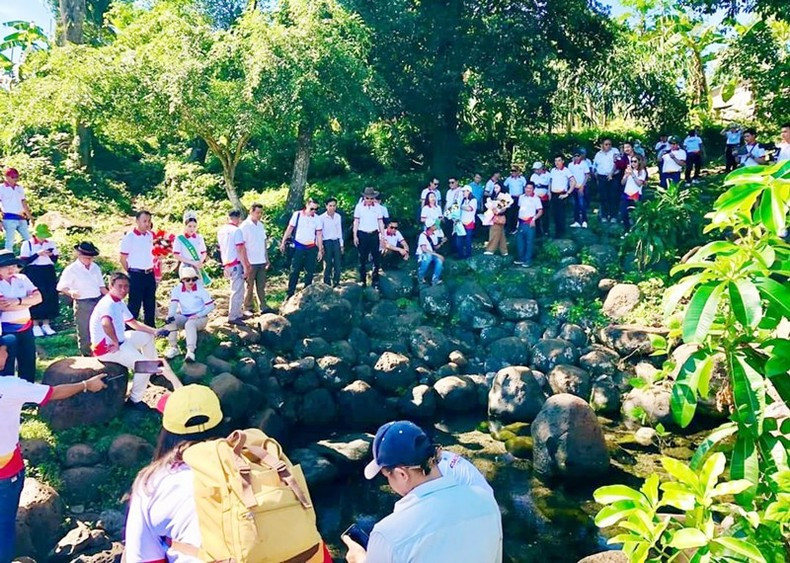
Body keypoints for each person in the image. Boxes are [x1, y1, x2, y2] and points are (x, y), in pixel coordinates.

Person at [342, 420, 502, 563]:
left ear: (401, 474)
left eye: (386, 476)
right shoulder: (486, 501)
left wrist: (358, 558)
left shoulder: (387, 535)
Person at [1, 357, 106, 563]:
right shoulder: (10, 386)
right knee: (3, 527)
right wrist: (86, 384)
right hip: (6, 472)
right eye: (2, 348)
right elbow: (54, 392)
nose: (6, 352)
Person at [89, 272, 180, 410]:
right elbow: (106, 323)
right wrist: (114, 341)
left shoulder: (118, 302)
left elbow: (133, 323)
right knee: (143, 367)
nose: (123, 290)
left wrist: (155, 332)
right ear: (111, 286)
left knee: (147, 337)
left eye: (126, 287)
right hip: (108, 348)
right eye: (120, 286)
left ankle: (153, 372)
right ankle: (134, 400)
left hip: (121, 340)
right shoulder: (107, 304)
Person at [56, 242, 107, 356]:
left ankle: (101, 352)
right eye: (86, 258)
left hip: (97, 301)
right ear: (79, 255)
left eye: (91, 258)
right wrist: (70, 292)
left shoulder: (95, 267)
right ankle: (87, 354)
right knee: (84, 330)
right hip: (82, 302)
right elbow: (61, 286)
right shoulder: (71, 269)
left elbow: (101, 286)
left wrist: (111, 298)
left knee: (100, 328)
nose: (89, 260)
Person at [0, 250, 41, 383]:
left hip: (26, 327)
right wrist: (27, 302)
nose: (11, 269)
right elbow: (4, 306)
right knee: (7, 366)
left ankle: (29, 395)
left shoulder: (22, 278)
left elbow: (38, 298)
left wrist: (18, 301)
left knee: (28, 362)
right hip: (5, 330)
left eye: (13, 265)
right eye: (6, 266)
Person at [164, 268, 214, 363]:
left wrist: (198, 315)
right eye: (188, 280)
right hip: (185, 316)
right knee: (170, 320)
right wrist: (170, 316)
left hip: (201, 318)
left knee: (190, 324)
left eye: (194, 279)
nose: (191, 282)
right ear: (182, 280)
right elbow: (173, 305)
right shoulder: (177, 289)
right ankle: (174, 348)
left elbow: (211, 306)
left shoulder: (200, 289)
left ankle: (190, 351)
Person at [19, 223, 59, 337]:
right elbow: (24, 262)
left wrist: (50, 254)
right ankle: (35, 324)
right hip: (34, 272)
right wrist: (37, 254)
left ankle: (46, 323)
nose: (43, 238)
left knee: (49, 295)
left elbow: (55, 259)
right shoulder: (27, 244)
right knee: (35, 295)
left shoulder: (50, 243)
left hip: (48, 271)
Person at [280, 199, 324, 298]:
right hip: (298, 246)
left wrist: (320, 250)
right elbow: (290, 229)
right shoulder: (297, 215)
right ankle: (290, 293)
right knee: (294, 270)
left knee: (310, 271)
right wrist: (283, 241)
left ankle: (307, 292)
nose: (313, 211)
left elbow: (319, 234)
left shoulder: (317, 219)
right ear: (307, 206)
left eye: (316, 209)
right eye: (312, 208)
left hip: (311, 247)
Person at [120, 210, 157, 327]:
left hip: (150, 273)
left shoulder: (150, 235)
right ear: (137, 221)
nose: (147, 224)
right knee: (134, 305)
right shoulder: (129, 237)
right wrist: (130, 271)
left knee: (150, 304)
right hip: (136, 274)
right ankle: (129, 331)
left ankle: (151, 330)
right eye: (144, 221)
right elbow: (122, 258)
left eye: (149, 221)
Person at [217, 210, 250, 325]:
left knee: (238, 288)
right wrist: (245, 266)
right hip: (236, 263)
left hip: (227, 262)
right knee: (237, 290)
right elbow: (239, 249)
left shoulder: (221, 231)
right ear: (239, 218)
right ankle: (233, 316)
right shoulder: (237, 231)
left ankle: (238, 312)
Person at [354, 188, 386, 289]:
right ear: (364, 197)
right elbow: (356, 222)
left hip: (374, 234)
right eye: (367, 198)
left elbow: (380, 222)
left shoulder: (377, 207)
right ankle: (363, 280)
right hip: (362, 234)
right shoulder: (359, 207)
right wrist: (355, 235)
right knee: (362, 258)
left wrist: (383, 236)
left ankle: (375, 280)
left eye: (371, 198)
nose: (369, 200)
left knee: (376, 258)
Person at [240, 203, 270, 312]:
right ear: (251, 211)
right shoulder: (244, 226)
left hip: (261, 260)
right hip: (250, 261)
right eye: (257, 212)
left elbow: (263, 242)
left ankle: (263, 306)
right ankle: (248, 307)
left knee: (261, 286)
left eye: (261, 213)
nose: (259, 215)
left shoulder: (261, 225)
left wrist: (266, 258)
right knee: (249, 286)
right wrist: (245, 262)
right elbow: (241, 245)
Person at [172, 211, 209, 285]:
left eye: (194, 226)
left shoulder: (199, 237)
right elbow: (176, 255)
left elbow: (204, 252)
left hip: (198, 265)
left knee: (199, 288)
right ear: (185, 226)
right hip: (186, 266)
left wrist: (199, 262)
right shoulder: (179, 238)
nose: (192, 229)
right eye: (189, 226)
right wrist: (192, 262)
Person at [0, 168, 32, 252]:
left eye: (17, 176)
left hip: (21, 217)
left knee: (29, 239)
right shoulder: (1, 188)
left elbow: (23, 202)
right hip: (9, 217)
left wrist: (30, 217)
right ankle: (8, 259)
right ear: (6, 177)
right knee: (10, 240)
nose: (15, 179)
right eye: (13, 177)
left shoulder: (19, 188)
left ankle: (32, 256)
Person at [514, 182, 542, 268]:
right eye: (527, 188)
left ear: (533, 189)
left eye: (530, 188)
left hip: (530, 222)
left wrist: (534, 219)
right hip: (521, 222)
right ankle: (521, 258)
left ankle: (528, 260)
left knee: (529, 242)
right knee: (520, 241)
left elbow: (540, 211)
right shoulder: (521, 197)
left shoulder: (536, 198)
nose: (528, 189)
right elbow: (520, 208)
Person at [548, 155, 576, 239]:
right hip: (553, 194)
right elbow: (550, 182)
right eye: (556, 160)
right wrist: (549, 192)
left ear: (562, 161)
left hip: (561, 194)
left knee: (561, 214)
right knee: (554, 214)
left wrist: (567, 193)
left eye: (559, 160)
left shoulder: (566, 171)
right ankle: (556, 232)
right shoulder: (553, 170)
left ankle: (561, 233)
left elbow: (573, 182)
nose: (557, 162)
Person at [593, 139, 620, 223]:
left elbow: (617, 163)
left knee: (613, 196)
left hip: (613, 177)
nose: (608, 146)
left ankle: (613, 216)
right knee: (603, 197)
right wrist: (596, 174)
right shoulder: (598, 154)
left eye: (610, 144)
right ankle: (604, 215)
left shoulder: (615, 151)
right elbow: (595, 166)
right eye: (606, 144)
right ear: (602, 145)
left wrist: (611, 173)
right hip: (602, 177)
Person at [319, 198, 343, 288]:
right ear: (326, 206)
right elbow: (319, 233)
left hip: (336, 240)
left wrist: (341, 244)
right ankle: (326, 283)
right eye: (330, 206)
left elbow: (339, 231)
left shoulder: (338, 216)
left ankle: (336, 282)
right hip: (326, 241)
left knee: (337, 263)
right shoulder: (321, 218)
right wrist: (320, 246)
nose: (332, 208)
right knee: (328, 263)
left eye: (334, 206)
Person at [621, 155, 647, 232]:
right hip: (626, 194)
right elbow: (622, 183)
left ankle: (635, 230)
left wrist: (632, 174)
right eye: (631, 161)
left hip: (635, 194)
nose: (633, 163)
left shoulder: (642, 172)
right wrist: (626, 175)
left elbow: (639, 183)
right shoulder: (628, 171)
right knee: (624, 213)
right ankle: (626, 229)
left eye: (635, 161)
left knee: (634, 214)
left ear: (639, 162)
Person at [568, 150, 591, 228]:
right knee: (575, 205)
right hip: (573, 187)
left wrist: (582, 186)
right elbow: (569, 177)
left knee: (582, 204)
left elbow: (587, 175)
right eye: (575, 156)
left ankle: (584, 221)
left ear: (580, 157)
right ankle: (576, 221)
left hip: (582, 186)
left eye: (578, 156)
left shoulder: (584, 164)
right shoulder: (570, 165)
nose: (576, 158)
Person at [530, 162, 551, 237]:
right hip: (536, 198)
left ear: (541, 168)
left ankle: (546, 231)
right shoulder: (533, 176)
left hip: (544, 197)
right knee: (536, 215)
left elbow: (549, 185)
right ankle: (537, 232)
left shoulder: (548, 175)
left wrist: (549, 194)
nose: (536, 171)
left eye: (537, 169)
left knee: (545, 215)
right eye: (535, 170)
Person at [503, 166, 526, 233]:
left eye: (515, 171)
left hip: (519, 197)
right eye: (512, 171)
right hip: (511, 198)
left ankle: (518, 227)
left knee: (519, 212)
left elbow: (525, 187)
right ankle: (510, 228)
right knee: (511, 213)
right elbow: (504, 186)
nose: (513, 172)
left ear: (518, 172)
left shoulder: (522, 179)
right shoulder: (509, 179)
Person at [457, 186, 477, 259]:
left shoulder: (473, 200)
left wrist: (460, 207)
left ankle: (468, 255)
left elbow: (469, 208)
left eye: (464, 191)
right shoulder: (463, 200)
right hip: (461, 222)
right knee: (459, 239)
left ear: (468, 191)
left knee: (468, 239)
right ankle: (460, 254)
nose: (463, 193)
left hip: (469, 222)